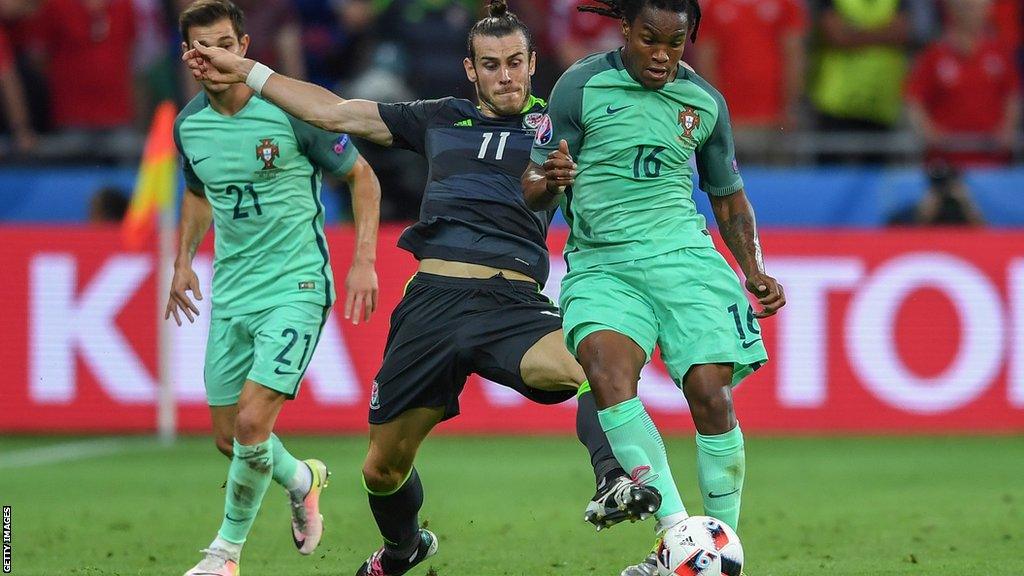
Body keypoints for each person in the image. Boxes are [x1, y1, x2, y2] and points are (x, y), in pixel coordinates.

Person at [182, 2, 662, 575]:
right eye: (491, 65)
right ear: (470, 70)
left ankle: (614, 478)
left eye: (515, 63)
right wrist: (250, 73)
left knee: (593, 366)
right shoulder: (438, 117)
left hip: (510, 305)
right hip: (430, 304)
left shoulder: (559, 132)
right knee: (380, 470)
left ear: (535, 64)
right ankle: (404, 549)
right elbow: (336, 113)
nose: (505, 76)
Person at [522, 1, 785, 574]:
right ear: (624, 31)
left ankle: (716, 552)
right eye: (650, 40)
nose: (662, 55)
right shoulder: (579, 87)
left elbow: (728, 194)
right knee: (606, 370)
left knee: (712, 396)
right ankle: (676, 540)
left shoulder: (704, 102)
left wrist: (754, 267)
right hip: (603, 264)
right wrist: (550, 179)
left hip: (686, 262)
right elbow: (534, 183)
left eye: (675, 42)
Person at [165, 2, 383, 575]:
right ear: (189, 57)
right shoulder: (189, 124)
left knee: (250, 425)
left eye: (222, 44)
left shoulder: (288, 111)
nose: (212, 57)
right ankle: (302, 476)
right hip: (233, 291)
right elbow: (196, 192)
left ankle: (224, 556)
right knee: (228, 438)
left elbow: (362, 175)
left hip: (297, 284)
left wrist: (363, 261)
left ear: (242, 47)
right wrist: (183, 261)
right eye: (200, 48)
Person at [906, 0, 1020, 167]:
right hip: (946, 162)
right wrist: (928, 131)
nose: (970, 10)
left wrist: (1008, 127)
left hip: (992, 164)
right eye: (965, 5)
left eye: (975, 5)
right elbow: (913, 99)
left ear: (987, 9)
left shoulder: (1000, 53)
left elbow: (1013, 94)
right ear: (951, 8)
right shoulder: (934, 55)